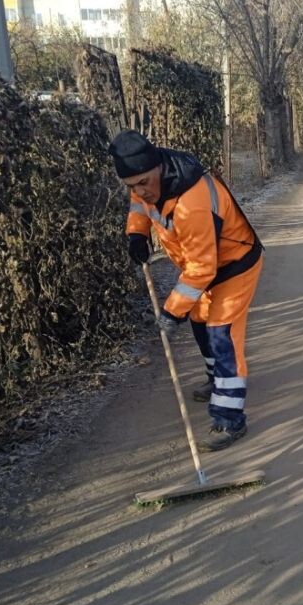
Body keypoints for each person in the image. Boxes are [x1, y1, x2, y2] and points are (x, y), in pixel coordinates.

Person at [110, 130, 263, 450]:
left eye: (143, 183)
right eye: (131, 185)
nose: (139, 191)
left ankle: (229, 418)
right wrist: (136, 234)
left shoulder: (191, 202)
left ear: (159, 170)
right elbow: (139, 205)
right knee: (199, 321)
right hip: (202, 268)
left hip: (234, 266)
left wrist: (170, 311)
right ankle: (215, 379)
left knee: (222, 333)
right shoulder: (148, 181)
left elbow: (202, 269)